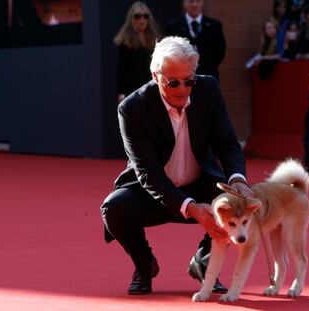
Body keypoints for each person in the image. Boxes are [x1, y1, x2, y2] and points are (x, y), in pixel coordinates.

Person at [100, 36, 253, 295]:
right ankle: (144, 264)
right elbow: (148, 174)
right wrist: (190, 208)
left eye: (189, 80)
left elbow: (227, 143)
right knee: (114, 208)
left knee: (237, 203)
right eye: (173, 82)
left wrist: (238, 180)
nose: (182, 89)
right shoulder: (132, 108)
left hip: (201, 185)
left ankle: (204, 263)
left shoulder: (208, 89)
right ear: (155, 75)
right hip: (152, 193)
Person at [165, 0, 226, 80]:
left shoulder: (214, 26)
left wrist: (209, 64)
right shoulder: (173, 27)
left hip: (209, 76)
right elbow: (170, 52)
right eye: (191, 1)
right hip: (183, 78)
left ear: (202, 3)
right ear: (184, 3)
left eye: (198, 1)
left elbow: (220, 50)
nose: (195, 4)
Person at [114, 2, 161, 103]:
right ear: (132, 19)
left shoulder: (153, 39)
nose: (142, 20)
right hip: (132, 89)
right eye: (138, 16)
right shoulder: (125, 41)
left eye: (145, 16)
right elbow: (121, 69)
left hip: (151, 86)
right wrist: (121, 92)